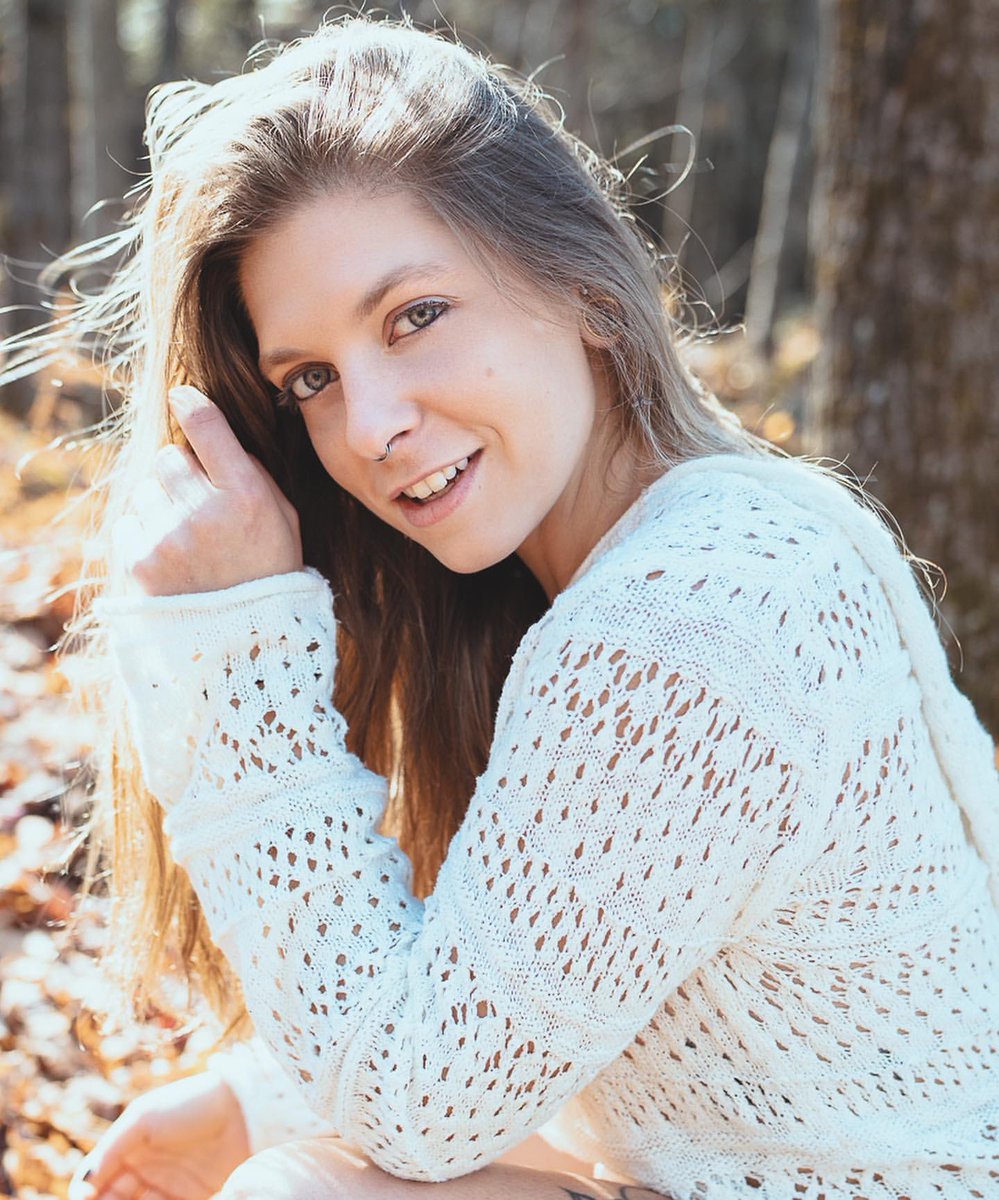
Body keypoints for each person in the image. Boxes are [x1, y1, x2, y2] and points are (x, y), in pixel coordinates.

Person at [6, 13, 992, 1200]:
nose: (368, 428)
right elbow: (581, 961)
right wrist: (249, 1099)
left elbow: (422, 1111)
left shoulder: (695, 612)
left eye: (414, 316)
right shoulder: (675, 546)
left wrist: (238, 661)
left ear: (579, 282)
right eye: (311, 379)